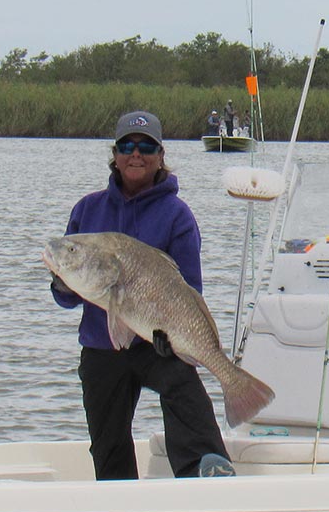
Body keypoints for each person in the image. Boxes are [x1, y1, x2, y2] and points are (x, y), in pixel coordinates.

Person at [50, 111, 233, 479]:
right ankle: (119, 502)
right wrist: (61, 283)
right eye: (127, 146)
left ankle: (206, 469)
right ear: (114, 154)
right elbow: (67, 299)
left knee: (183, 384)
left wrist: (171, 337)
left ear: (160, 155)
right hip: (103, 344)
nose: (136, 154)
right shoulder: (87, 209)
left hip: (155, 342)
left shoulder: (177, 215)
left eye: (146, 146)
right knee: (107, 443)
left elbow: (190, 291)